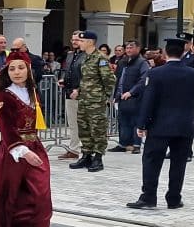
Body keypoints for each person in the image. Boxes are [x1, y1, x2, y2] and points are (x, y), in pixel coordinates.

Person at [0, 51, 68, 227]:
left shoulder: (32, 92)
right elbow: (6, 127)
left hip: (34, 147)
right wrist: (22, 151)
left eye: (21, 67)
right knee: (6, 198)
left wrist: (33, 149)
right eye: (12, 68)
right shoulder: (4, 95)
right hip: (13, 153)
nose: (16, 72)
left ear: (29, 69)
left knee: (41, 197)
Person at [127, 38, 194, 210]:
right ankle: (174, 198)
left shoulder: (155, 73)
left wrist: (141, 125)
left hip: (159, 126)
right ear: (183, 52)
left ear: (166, 52)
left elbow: (149, 101)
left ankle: (149, 197)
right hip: (184, 125)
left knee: (151, 161)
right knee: (179, 163)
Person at [69, 30, 115, 172]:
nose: (79, 43)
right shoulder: (85, 58)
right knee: (84, 128)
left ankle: (98, 158)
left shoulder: (100, 58)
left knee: (98, 129)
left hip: (96, 101)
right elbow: (86, 79)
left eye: (82, 41)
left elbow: (109, 79)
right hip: (84, 100)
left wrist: (104, 96)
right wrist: (79, 91)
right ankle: (86, 155)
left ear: (89, 42)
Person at [109, 40, 149, 154]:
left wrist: (131, 92)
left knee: (135, 121)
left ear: (138, 48)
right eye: (127, 48)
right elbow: (118, 79)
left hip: (135, 97)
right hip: (122, 96)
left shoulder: (142, 63)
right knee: (123, 121)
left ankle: (136, 144)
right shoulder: (123, 61)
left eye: (131, 48)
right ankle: (123, 143)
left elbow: (143, 80)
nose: (129, 50)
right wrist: (115, 95)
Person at [59, 31, 85, 160]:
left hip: (83, 94)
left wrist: (79, 89)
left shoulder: (87, 56)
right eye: (73, 39)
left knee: (84, 123)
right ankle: (74, 149)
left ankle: (86, 150)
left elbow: (88, 76)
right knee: (73, 123)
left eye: (78, 40)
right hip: (69, 93)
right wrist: (63, 79)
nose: (75, 42)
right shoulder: (70, 55)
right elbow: (67, 71)